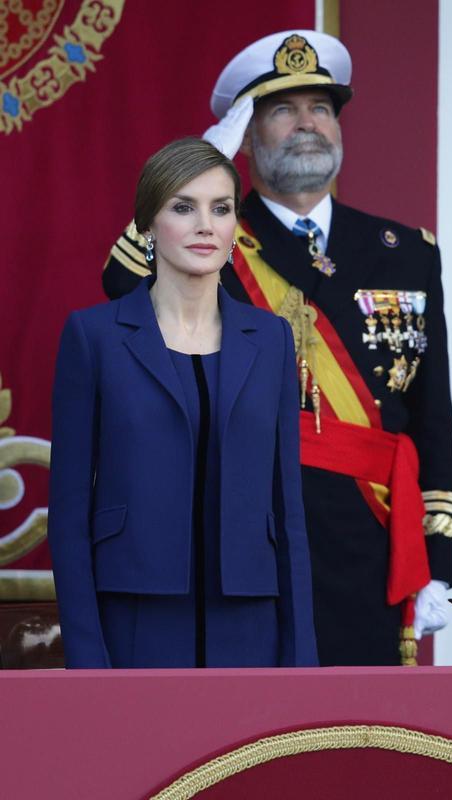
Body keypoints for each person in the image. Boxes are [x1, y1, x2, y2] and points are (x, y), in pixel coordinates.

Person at [101, 31, 452, 665]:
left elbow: (432, 413)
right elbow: (122, 281)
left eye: (320, 107)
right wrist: (200, 165)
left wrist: (437, 558)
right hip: (244, 522)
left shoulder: (405, 251)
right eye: (281, 110)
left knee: (356, 736)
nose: (307, 124)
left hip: (367, 536)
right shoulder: (212, 234)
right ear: (247, 134)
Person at [48, 138, 317, 668]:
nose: (205, 225)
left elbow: (288, 513)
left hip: (249, 621)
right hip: (134, 617)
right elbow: (70, 514)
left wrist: (300, 654)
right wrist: (86, 654)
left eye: (220, 209)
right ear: (147, 223)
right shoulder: (94, 335)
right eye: (182, 207)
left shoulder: (271, 339)